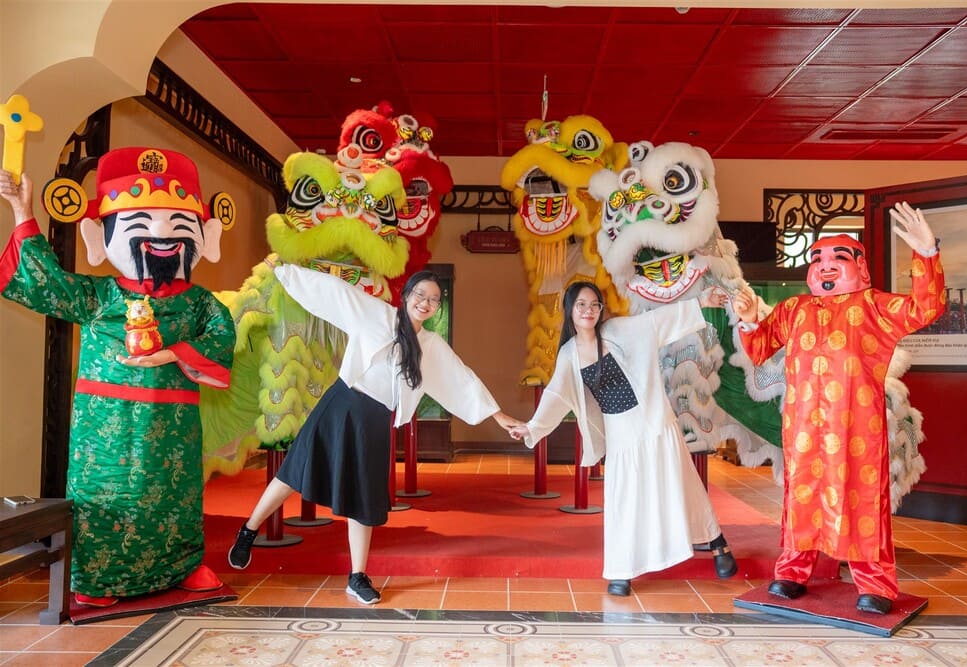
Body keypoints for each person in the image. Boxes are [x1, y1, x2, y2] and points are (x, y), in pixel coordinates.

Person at [0, 148, 235, 608]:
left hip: (174, 428)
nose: (162, 234)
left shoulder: (202, 303)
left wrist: (171, 352)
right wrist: (21, 210)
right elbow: (42, 280)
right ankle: (96, 579)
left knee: (176, 497)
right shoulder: (97, 295)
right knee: (103, 495)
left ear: (205, 237)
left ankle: (182, 566)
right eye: (142, 221)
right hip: (103, 428)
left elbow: (222, 339)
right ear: (100, 236)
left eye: (177, 222)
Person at [227, 264, 521, 604]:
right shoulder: (374, 314)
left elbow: (461, 380)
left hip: (376, 420)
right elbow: (334, 292)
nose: (425, 303)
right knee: (295, 471)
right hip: (341, 404)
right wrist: (285, 272)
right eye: (420, 295)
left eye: (434, 300)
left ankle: (357, 576)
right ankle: (248, 530)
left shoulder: (431, 344)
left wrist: (498, 416)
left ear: (437, 308)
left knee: (363, 496)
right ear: (407, 295)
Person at [732, 201, 945, 615]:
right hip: (803, 432)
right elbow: (759, 349)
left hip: (858, 433)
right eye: (818, 258)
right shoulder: (794, 310)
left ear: (861, 267)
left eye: (838, 257)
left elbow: (925, 308)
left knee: (863, 499)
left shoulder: (875, 307)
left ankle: (875, 583)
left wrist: (927, 252)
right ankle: (792, 573)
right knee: (802, 499)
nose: (826, 265)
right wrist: (746, 320)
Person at [509, 281, 738, 596]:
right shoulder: (570, 354)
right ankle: (621, 571)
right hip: (620, 433)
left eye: (594, 304)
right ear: (570, 311)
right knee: (623, 502)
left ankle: (717, 545)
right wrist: (532, 427)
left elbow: (658, 322)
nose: (589, 310)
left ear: (601, 309)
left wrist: (700, 301)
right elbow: (555, 396)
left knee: (681, 487)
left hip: (656, 422)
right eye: (581, 305)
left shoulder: (619, 330)